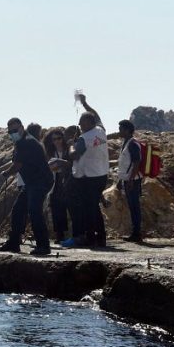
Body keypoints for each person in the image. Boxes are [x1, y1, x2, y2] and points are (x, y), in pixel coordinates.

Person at [0, 118, 53, 255]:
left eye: (14, 130)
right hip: (31, 182)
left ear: (21, 128)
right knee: (18, 209)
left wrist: (6, 173)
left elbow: (17, 165)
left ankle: (44, 246)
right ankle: (14, 243)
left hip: (41, 181)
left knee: (34, 210)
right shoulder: (20, 142)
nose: (12, 134)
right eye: (10, 132)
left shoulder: (26, 142)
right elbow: (17, 162)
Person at [62, 94, 109, 248]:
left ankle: (91, 237)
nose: (80, 125)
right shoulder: (101, 131)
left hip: (88, 177)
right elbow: (96, 114)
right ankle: (100, 237)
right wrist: (85, 103)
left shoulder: (85, 138)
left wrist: (70, 144)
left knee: (89, 208)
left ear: (88, 122)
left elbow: (74, 155)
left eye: (82, 122)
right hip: (101, 174)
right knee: (94, 206)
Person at [43, 128, 72, 244]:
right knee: (56, 207)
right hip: (56, 180)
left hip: (69, 180)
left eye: (59, 138)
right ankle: (60, 235)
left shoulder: (68, 150)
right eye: (54, 139)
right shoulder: (51, 152)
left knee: (69, 206)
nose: (57, 141)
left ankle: (75, 235)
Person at [117, 120, 144, 243]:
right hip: (127, 179)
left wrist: (131, 180)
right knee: (132, 206)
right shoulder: (126, 143)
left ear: (127, 130)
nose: (119, 131)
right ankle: (135, 233)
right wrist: (120, 180)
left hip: (133, 180)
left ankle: (137, 233)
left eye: (121, 129)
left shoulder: (133, 144)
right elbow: (125, 164)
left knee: (134, 206)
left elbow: (136, 162)